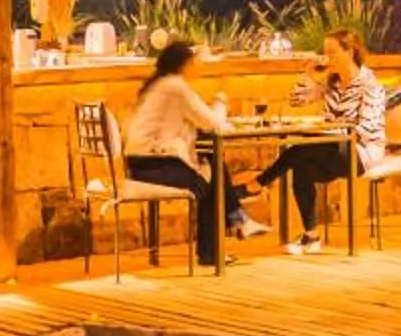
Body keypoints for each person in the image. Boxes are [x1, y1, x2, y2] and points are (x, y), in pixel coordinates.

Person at [122, 42, 262, 268]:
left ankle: (236, 219)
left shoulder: (159, 84)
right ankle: (228, 229)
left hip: (140, 163)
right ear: (185, 64)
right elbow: (213, 123)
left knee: (214, 166)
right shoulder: (175, 86)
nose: (199, 65)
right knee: (211, 183)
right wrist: (221, 101)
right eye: (196, 61)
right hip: (156, 166)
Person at [258, 30, 385, 254]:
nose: (327, 58)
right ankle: (311, 236)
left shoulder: (369, 84)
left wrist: (332, 129)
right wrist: (308, 74)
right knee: (300, 164)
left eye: (333, 52)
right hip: (332, 148)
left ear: (350, 52)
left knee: (301, 149)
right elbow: (295, 100)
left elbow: (366, 129)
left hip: (361, 152)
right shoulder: (332, 84)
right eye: (325, 52)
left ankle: (259, 182)